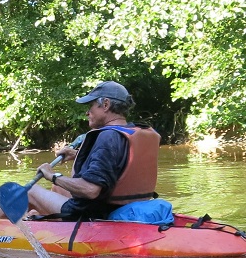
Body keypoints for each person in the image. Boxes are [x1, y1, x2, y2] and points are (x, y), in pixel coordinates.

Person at [20, 81, 160, 221]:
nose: (87, 112)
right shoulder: (132, 132)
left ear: (106, 105)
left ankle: (11, 227)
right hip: (121, 208)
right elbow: (118, 165)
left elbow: (91, 190)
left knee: (28, 191)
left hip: (92, 213)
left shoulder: (108, 136)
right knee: (59, 189)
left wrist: (53, 176)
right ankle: (39, 218)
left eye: (91, 106)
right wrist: (77, 155)